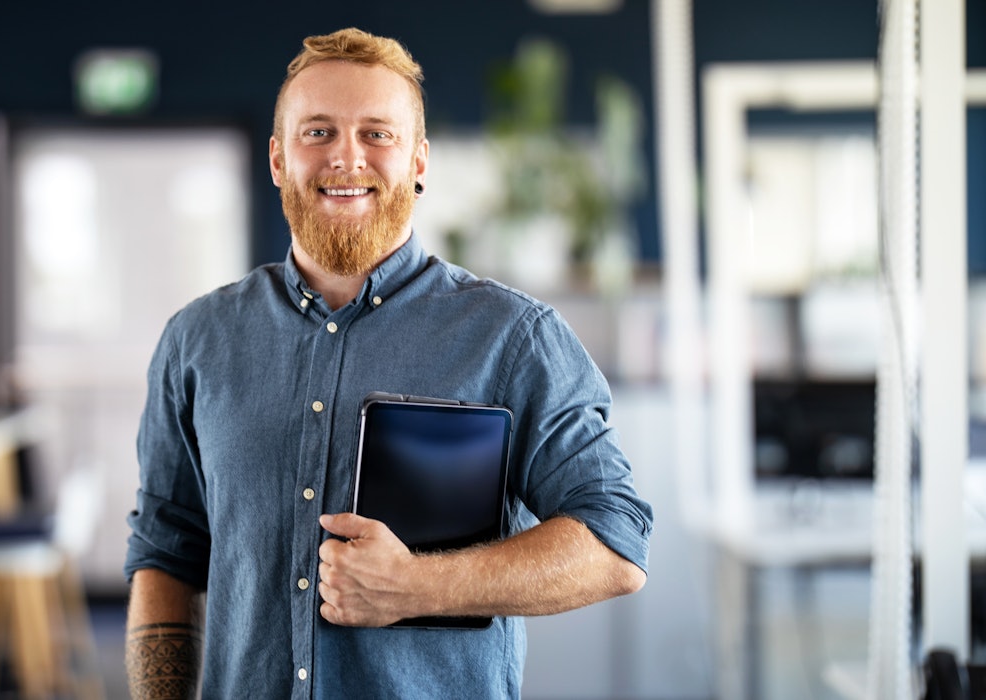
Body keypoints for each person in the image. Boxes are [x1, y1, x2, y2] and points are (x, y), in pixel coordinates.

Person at [124, 26, 653, 699]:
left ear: (420, 161)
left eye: (378, 133)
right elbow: (164, 557)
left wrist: (417, 584)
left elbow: (615, 544)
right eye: (318, 132)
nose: (347, 157)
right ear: (279, 160)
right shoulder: (195, 339)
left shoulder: (514, 337)